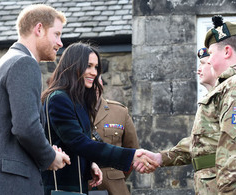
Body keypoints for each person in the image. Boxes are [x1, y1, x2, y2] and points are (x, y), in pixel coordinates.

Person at [136, 15, 236, 194]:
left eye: (211, 53)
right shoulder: (231, 85)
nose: (208, 60)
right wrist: (161, 158)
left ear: (226, 52)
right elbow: (208, 142)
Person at [0, 4, 71, 195]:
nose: (60, 43)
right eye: (57, 34)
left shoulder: (4, 61)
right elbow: (26, 127)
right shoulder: (25, 63)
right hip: (8, 185)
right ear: (39, 29)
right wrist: (50, 156)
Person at [41, 42, 159, 194]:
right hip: (60, 188)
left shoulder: (77, 100)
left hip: (76, 188)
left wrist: (90, 164)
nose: (94, 72)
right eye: (88, 66)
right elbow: (79, 142)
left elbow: (74, 145)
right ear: (73, 66)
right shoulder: (59, 99)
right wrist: (131, 156)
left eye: (96, 67)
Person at [88, 76, 139, 195]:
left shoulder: (120, 111)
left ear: (102, 84)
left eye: (98, 80)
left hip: (114, 187)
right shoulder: (71, 111)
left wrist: (115, 175)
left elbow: (132, 152)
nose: (94, 87)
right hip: (82, 184)